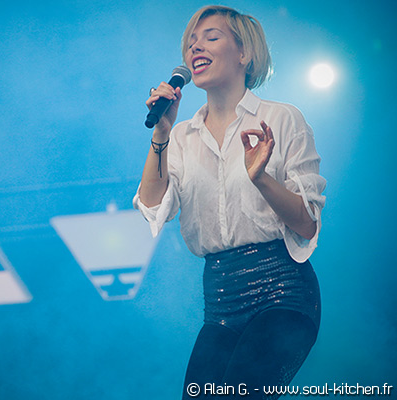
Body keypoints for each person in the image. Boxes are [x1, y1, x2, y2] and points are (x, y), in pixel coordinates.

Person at [133, 5, 326, 399]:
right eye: (191, 41)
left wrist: (261, 178)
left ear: (244, 53)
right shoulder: (182, 136)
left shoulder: (282, 118)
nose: (195, 47)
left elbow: (307, 224)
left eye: (210, 37)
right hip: (220, 303)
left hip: (284, 294)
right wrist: (161, 135)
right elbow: (154, 207)